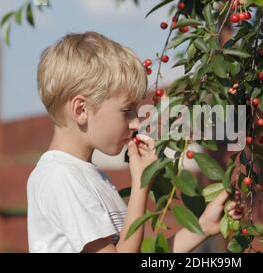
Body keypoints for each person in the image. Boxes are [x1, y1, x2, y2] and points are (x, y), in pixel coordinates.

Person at [27, 32, 241, 253]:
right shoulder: (61, 178)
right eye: (126, 111)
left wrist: (202, 227)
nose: (135, 122)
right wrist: (141, 184)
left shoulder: (84, 176)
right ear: (81, 110)